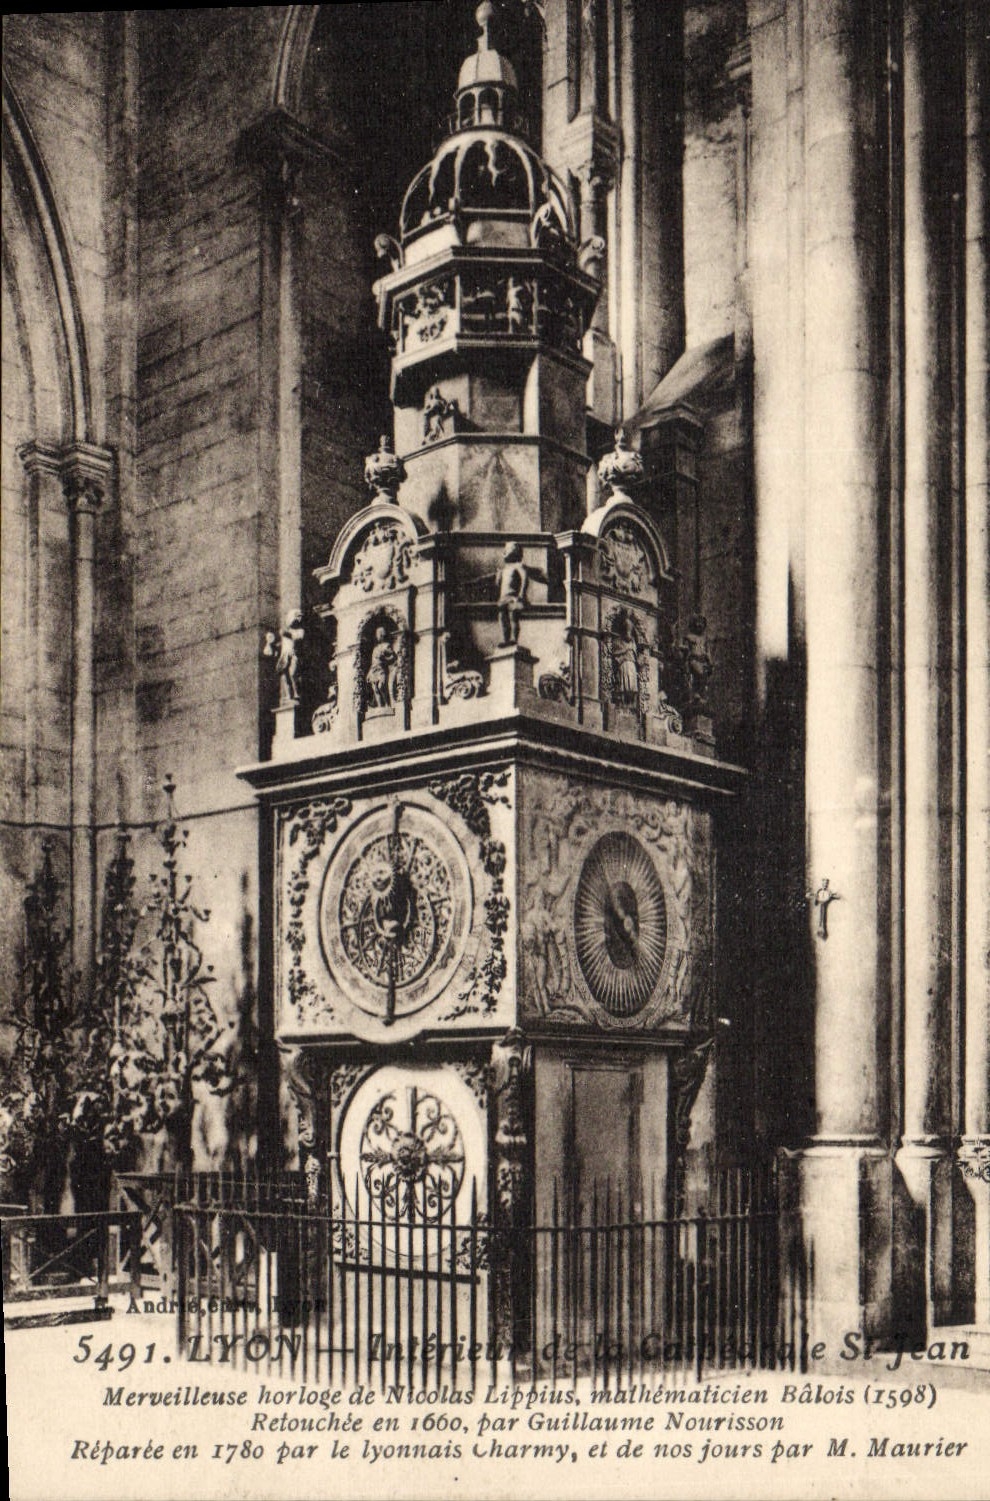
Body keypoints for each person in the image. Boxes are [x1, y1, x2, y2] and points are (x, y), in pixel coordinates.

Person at [366, 625, 398, 708]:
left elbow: (394, 657)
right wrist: (369, 673)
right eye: (377, 634)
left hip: (381, 670)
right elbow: (373, 662)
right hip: (373, 670)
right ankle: (380, 706)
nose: (378, 636)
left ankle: (387, 704)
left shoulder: (386, 645)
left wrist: (385, 660)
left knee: (381, 686)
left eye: (379, 634)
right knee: (375, 689)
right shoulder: (375, 648)